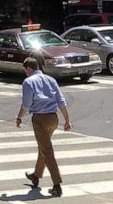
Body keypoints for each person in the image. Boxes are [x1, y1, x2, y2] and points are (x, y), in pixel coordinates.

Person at [16, 56, 71, 197]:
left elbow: (26, 104)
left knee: (47, 150)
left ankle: (57, 184)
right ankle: (36, 175)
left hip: (40, 119)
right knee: (44, 146)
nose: (25, 72)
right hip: (53, 118)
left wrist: (19, 117)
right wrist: (67, 120)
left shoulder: (28, 82)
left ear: (28, 68)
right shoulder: (50, 80)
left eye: (25, 70)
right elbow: (61, 101)